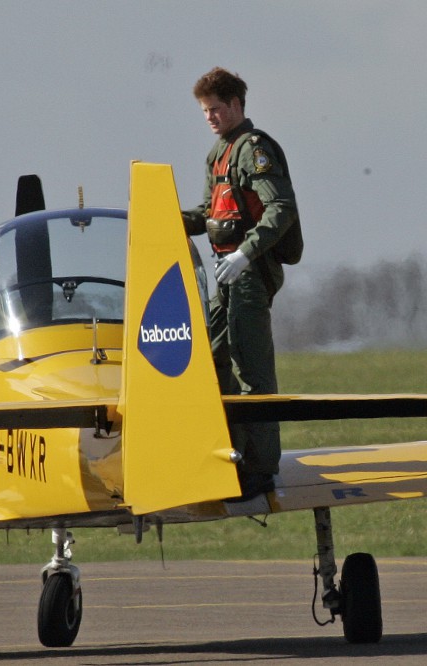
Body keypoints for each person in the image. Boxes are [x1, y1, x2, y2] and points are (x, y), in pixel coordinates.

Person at [182, 67, 301, 500]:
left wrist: (245, 253)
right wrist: (165, 219)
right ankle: (232, 452)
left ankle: (261, 469)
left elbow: (280, 207)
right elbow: (210, 212)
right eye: (205, 111)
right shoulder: (219, 154)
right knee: (210, 360)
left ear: (235, 105)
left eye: (216, 109)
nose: (210, 117)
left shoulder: (254, 150)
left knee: (253, 371)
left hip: (248, 272)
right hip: (225, 270)